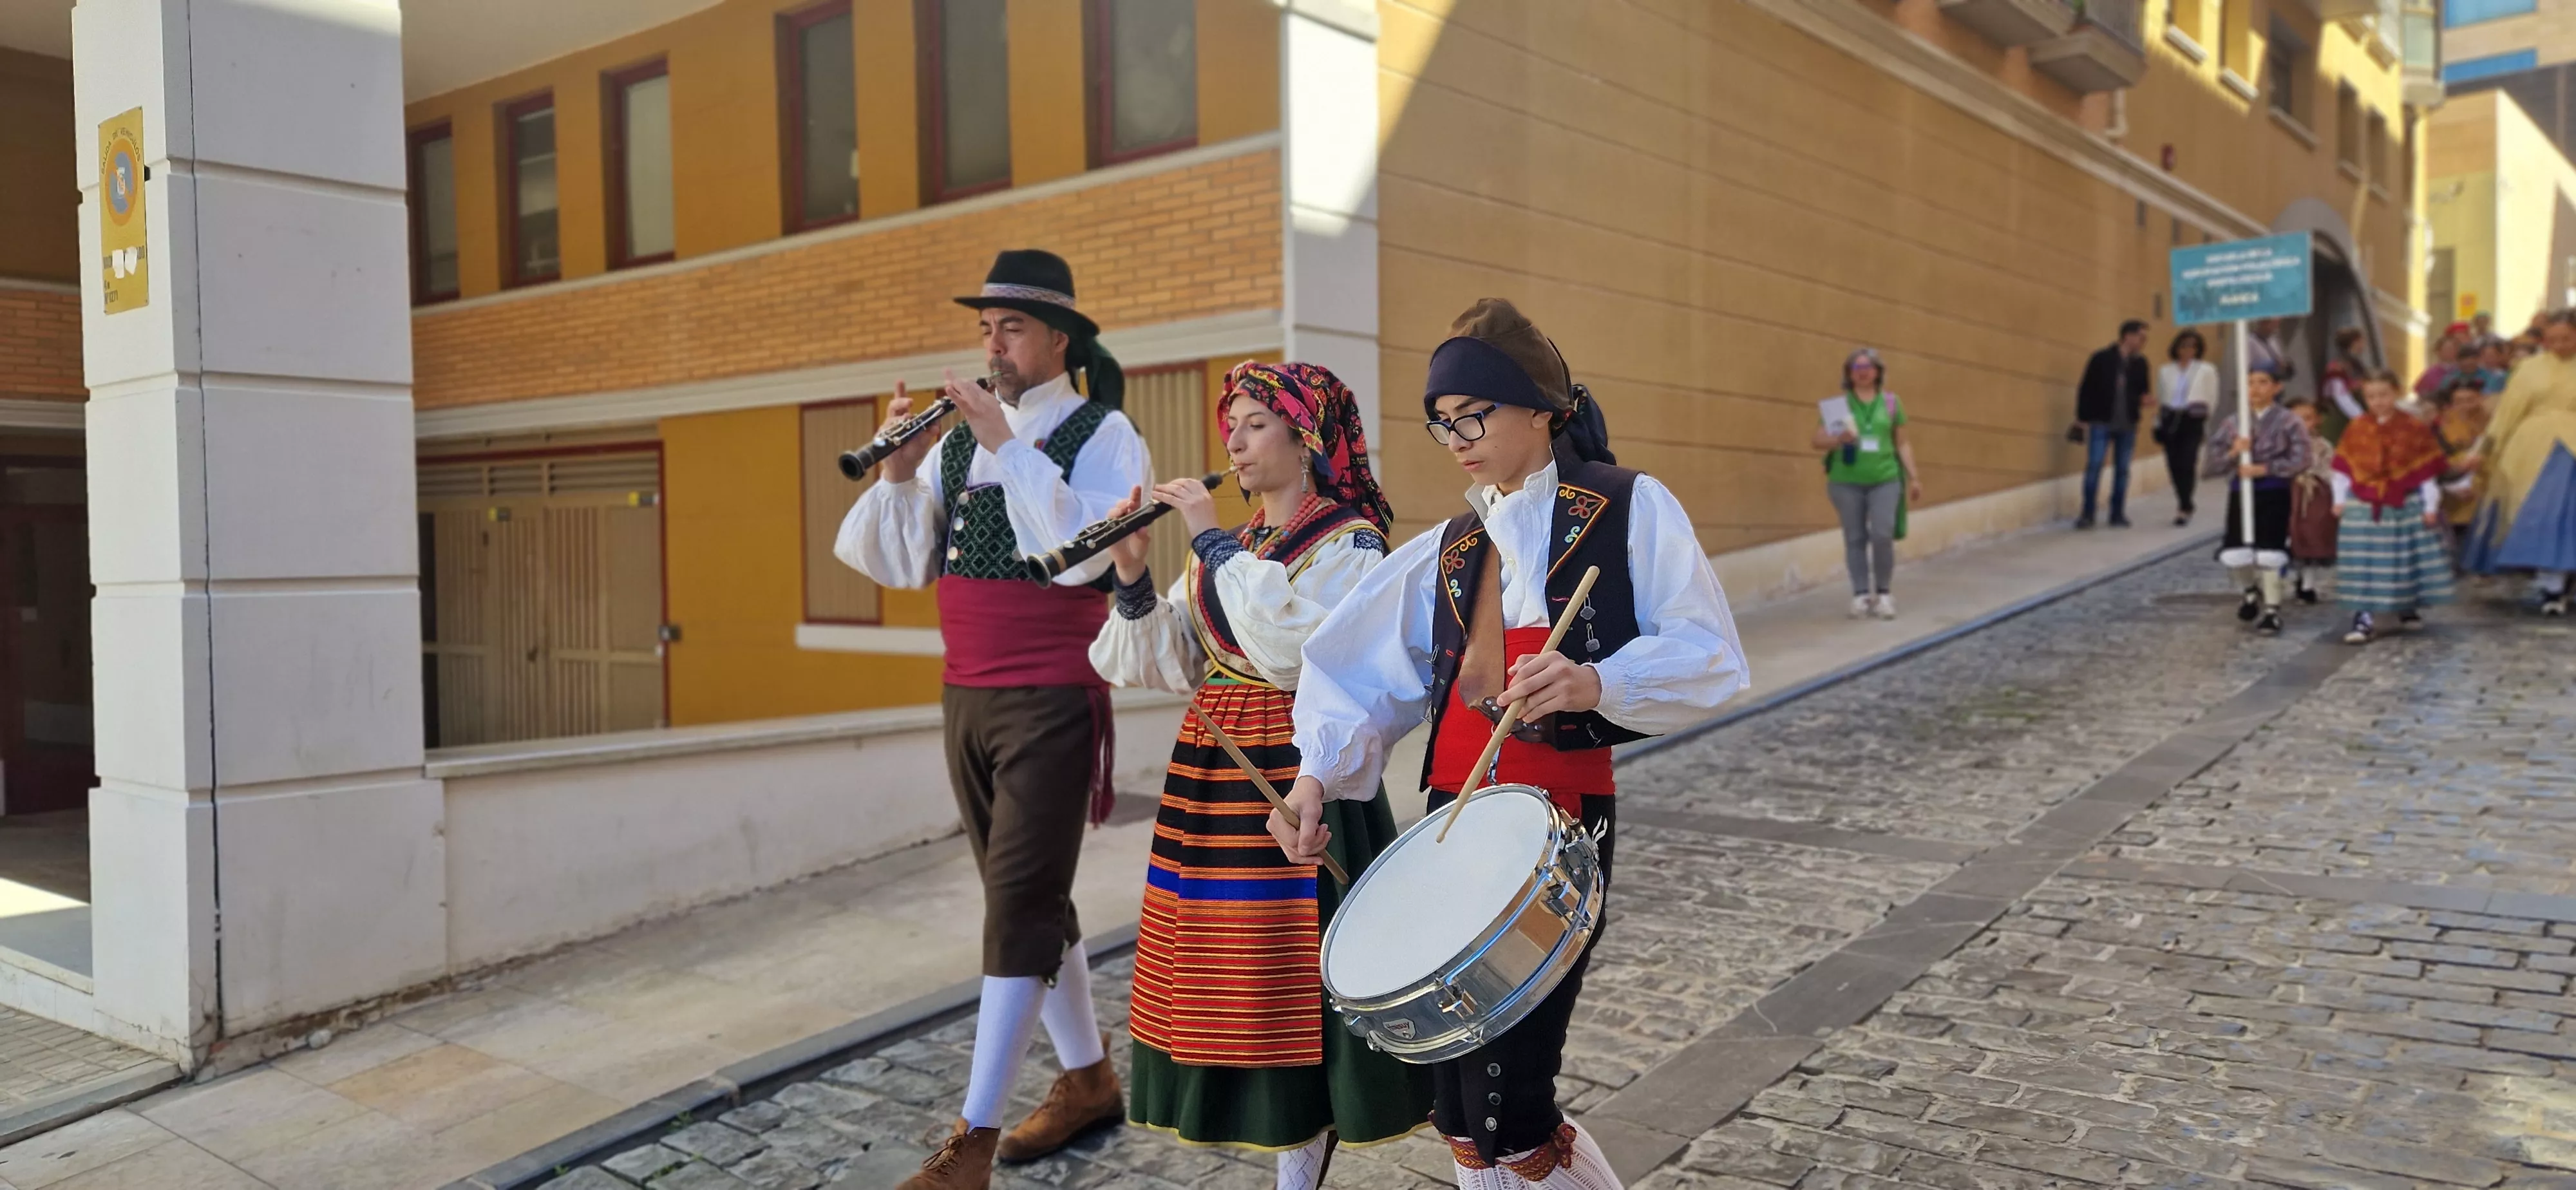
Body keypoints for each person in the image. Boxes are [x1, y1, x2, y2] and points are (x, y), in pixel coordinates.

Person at [1275, 298, 1749, 1190]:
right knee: (1461, 1108)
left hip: (1559, 833)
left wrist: (1598, 681)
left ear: (1541, 408)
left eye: (1474, 415)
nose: (1454, 438)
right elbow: (1352, 670)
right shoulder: (1450, 548)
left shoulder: (1627, 505)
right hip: (1454, 830)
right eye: (1441, 423)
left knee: (1502, 1105)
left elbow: (1712, 653)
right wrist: (1312, 780)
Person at [836, 249, 1153, 1190]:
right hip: (966, 694)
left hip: (1053, 696)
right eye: (986, 327)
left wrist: (1008, 446)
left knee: (1016, 906)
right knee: (1029, 906)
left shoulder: (1105, 433)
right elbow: (898, 566)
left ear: (1059, 338)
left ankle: (968, 1143)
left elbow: (1081, 560)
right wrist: (898, 473)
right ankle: (1090, 1080)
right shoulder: (959, 440)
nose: (993, 343)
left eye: (1011, 327)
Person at [1088, 362, 1430, 1188]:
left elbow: (1293, 653)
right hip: (1212, 769)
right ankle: (1282, 1144)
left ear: (1304, 436)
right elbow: (1172, 658)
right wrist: (1132, 569)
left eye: (1252, 425)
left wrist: (1207, 538)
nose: (1233, 444)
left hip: (1300, 768)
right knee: (1227, 966)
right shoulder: (1237, 547)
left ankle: (1307, 1147)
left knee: (1295, 969)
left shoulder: (1351, 543)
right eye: (1230, 427)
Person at [2331, 371, 2456, 643]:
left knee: (2402, 560)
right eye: (2371, 397)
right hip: (2363, 506)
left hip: (2403, 505)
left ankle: (2406, 604)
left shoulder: (2414, 429)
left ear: (2396, 393)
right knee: (2362, 563)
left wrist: (2430, 505)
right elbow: (2342, 469)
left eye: (2384, 395)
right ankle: (2362, 617)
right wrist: (2338, 500)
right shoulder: (2357, 428)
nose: (2378, 402)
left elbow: (2425, 473)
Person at [2465, 310, 2576, 616]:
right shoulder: (2529, 369)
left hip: (2571, 447)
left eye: (2566, 338)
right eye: (2553, 339)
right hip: (2533, 449)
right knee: (2544, 514)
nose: (2559, 344)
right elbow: (2507, 413)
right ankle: (2551, 583)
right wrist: (2487, 448)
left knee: (2567, 515)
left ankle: (2560, 580)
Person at [1811, 348, 1923, 619]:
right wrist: (1839, 439)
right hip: (1846, 481)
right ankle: (1861, 594)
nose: (1863, 372)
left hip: (1885, 478)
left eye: (1868, 367)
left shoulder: (1892, 403)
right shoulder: (1839, 406)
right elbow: (1817, 440)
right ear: (1849, 374)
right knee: (1855, 537)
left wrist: (1914, 477)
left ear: (1878, 372)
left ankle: (1884, 593)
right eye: (1857, 367)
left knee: (1882, 535)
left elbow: (1902, 442)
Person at [2202, 363, 2311, 634]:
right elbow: (2210, 464)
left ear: (2277, 387)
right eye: (2250, 383)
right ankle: (2250, 591)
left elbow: (2302, 458)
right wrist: (2233, 453)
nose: (2256, 389)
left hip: (2273, 492)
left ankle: (2273, 609)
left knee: (2270, 549)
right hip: (2242, 492)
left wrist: (2266, 469)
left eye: (2263, 382)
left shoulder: (2289, 422)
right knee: (2237, 549)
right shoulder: (2234, 422)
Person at [2074, 319, 2152, 529]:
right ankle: (2088, 513)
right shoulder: (2101, 359)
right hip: (2101, 421)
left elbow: (2144, 391)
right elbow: (2086, 388)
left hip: (2127, 424)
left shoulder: (2141, 363)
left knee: (2123, 470)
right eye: (2141, 337)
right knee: (2094, 466)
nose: (2143, 342)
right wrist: (2082, 418)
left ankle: (2117, 513)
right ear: (2128, 336)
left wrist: (2145, 400)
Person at [2155, 329, 2218, 525]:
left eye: (2193, 346)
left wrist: (2205, 418)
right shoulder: (2165, 370)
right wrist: (2158, 422)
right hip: (2171, 417)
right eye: (2184, 346)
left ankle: (2185, 505)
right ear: (2177, 347)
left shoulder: (2206, 369)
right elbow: (2161, 397)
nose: (2188, 350)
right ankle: (2183, 499)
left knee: (2187, 462)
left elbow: (2212, 396)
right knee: (2173, 464)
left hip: (2193, 418)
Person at [2432, 371, 2493, 560]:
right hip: (2452, 475)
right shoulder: (2442, 423)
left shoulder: (2492, 421)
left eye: (2471, 400)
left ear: (2481, 399)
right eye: (2460, 401)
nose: (2465, 405)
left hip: (2485, 472)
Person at [2286, 395, 2336, 604]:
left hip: (2314, 497)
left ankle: (2307, 585)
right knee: (2288, 537)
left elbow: (2331, 471)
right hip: (2288, 495)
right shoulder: (2282, 444)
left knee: (2311, 538)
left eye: (2307, 418)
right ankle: (2279, 579)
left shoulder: (2323, 446)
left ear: (2317, 420)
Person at [2414, 332, 2463, 402]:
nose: (2450, 352)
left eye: (2452, 349)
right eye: (2446, 349)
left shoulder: (2463, 370)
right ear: (2439, 351)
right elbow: (2420, 393)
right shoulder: (2430, 373)